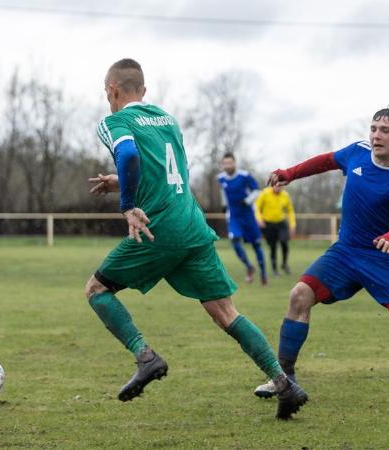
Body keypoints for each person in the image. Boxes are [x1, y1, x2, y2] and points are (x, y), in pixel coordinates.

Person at [84, 58, 308, 420]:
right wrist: (120, 181)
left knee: (96, 290)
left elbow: (128, 153)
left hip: (160, 227)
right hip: (192, 224)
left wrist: (127, 204)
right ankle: (284, 383)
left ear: (112, 90)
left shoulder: (114, 121)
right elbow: (169, 171)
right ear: (144, 90)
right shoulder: (167, 119)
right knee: (226, 312)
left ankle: (145, 356)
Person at [254, 108, 389, 401]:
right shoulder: (357, 152)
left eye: (385, 131)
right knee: (299, 296)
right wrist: (289, 174)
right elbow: (326, 160)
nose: (376, 136)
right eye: (373, 129)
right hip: (345, 252)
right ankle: (284, 379)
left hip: (386, 257)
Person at [218, 154, 268, 285]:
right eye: (225, 163)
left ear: (235, 163)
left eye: (230, 163)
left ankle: (263, 273)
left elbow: (256, 191)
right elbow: (223, 191)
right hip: (234, 217)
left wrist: (247, 201)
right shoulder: (221, 178)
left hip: (248, 216)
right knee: (234, 240)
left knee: (256, 245)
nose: (228, 166)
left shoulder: (244, 176)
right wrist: (224, 205)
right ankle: (249, 267)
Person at [255, 184, 296, 276]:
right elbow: (257, 208)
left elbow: (290, 210)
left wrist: (292, 224)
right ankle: (274, 269)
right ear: (272, 185)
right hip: (268, 224)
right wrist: (259, 220)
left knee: (284, 242)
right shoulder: (264, 193)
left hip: (281, 223)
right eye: (277, 185)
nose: (278, 187)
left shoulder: (285, 195)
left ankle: (284, 264)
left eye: (281, 186)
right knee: (273, 247)